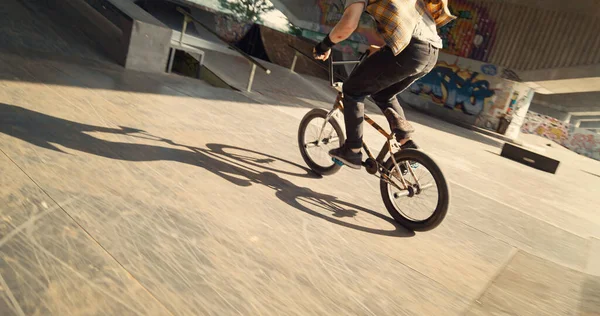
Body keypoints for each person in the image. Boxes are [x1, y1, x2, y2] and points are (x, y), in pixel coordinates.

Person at [313, 0, 456, 169]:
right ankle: (407, 144)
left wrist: (324, 46)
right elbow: (403, 19)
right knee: (383, 94)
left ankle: (352, 149)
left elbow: (348, 25)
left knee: (352, 90)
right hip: (430, 53)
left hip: (410, 50)